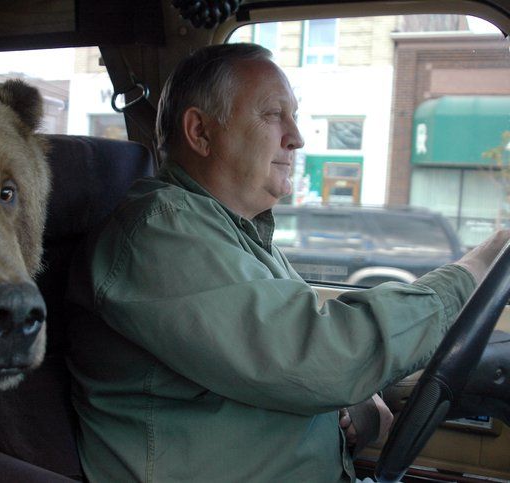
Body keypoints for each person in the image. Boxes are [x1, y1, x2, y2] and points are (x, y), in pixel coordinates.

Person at [65, 43, 508, 482]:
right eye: (273, 115)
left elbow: (303, 356)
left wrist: (356, 400)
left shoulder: (236, 231)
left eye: (293, 116)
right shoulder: (158, 234)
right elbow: (323, 355)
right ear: (200, 132)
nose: (296, 136)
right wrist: (472, 273)